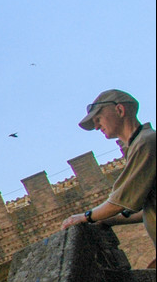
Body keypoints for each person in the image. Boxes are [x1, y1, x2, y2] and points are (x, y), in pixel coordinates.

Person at [59, 89, 155, 248]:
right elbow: (144, 210)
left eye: (98, 119)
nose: (96, 126)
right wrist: (105, 219)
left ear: (120, 110)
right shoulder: (141, 143)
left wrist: (85, 217)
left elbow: (119, 202)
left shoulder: (145, 143)